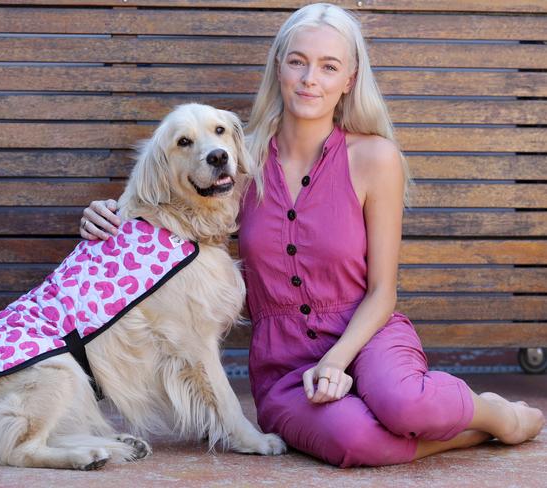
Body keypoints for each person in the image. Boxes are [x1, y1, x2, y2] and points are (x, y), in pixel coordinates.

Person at [77, 3, 544, 468]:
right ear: (278, 65)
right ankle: (470, 433)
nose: (309, 79)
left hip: (368, 334)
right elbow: (174, 208)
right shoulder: (239, 158)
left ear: (350, 77)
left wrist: (337, 361)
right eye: (297, 61)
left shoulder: (375, 158)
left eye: (328, 66)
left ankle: (495, 413)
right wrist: (110, 216)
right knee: (356, 441)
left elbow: (383, 291)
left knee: (404, 405)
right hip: (283, 364)